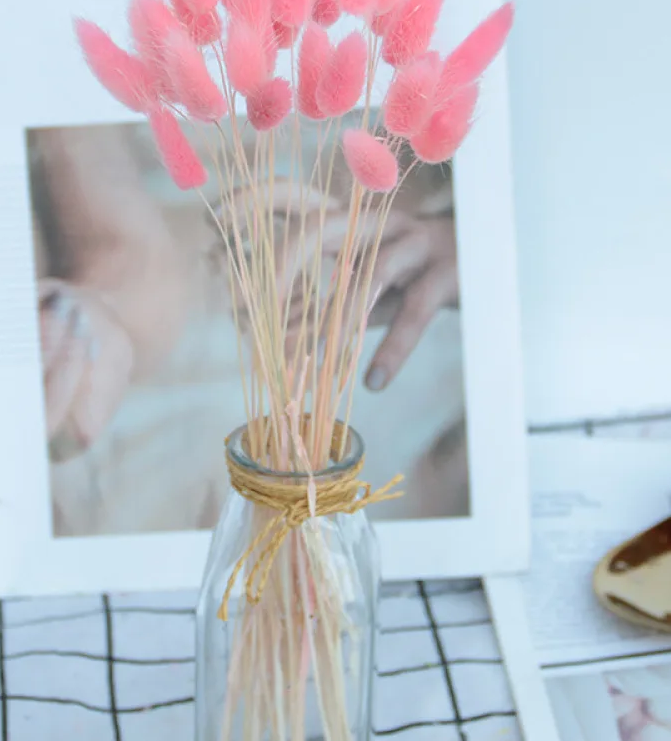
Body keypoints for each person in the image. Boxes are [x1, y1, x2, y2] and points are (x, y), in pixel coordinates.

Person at [29, 120, 466, 534]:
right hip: (170, 357)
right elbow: (121, 248)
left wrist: (465, 243)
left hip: (409, 328)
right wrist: (93, 318)